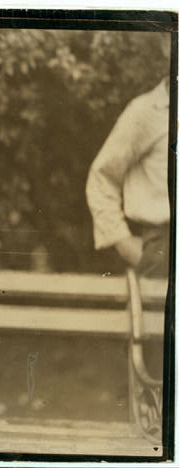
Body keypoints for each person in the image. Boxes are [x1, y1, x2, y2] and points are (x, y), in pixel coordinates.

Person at [86, 60, 170, 379]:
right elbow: (102, 177)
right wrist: (120, 240)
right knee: (159, 368)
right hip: (163, 248)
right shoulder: (146, 112)